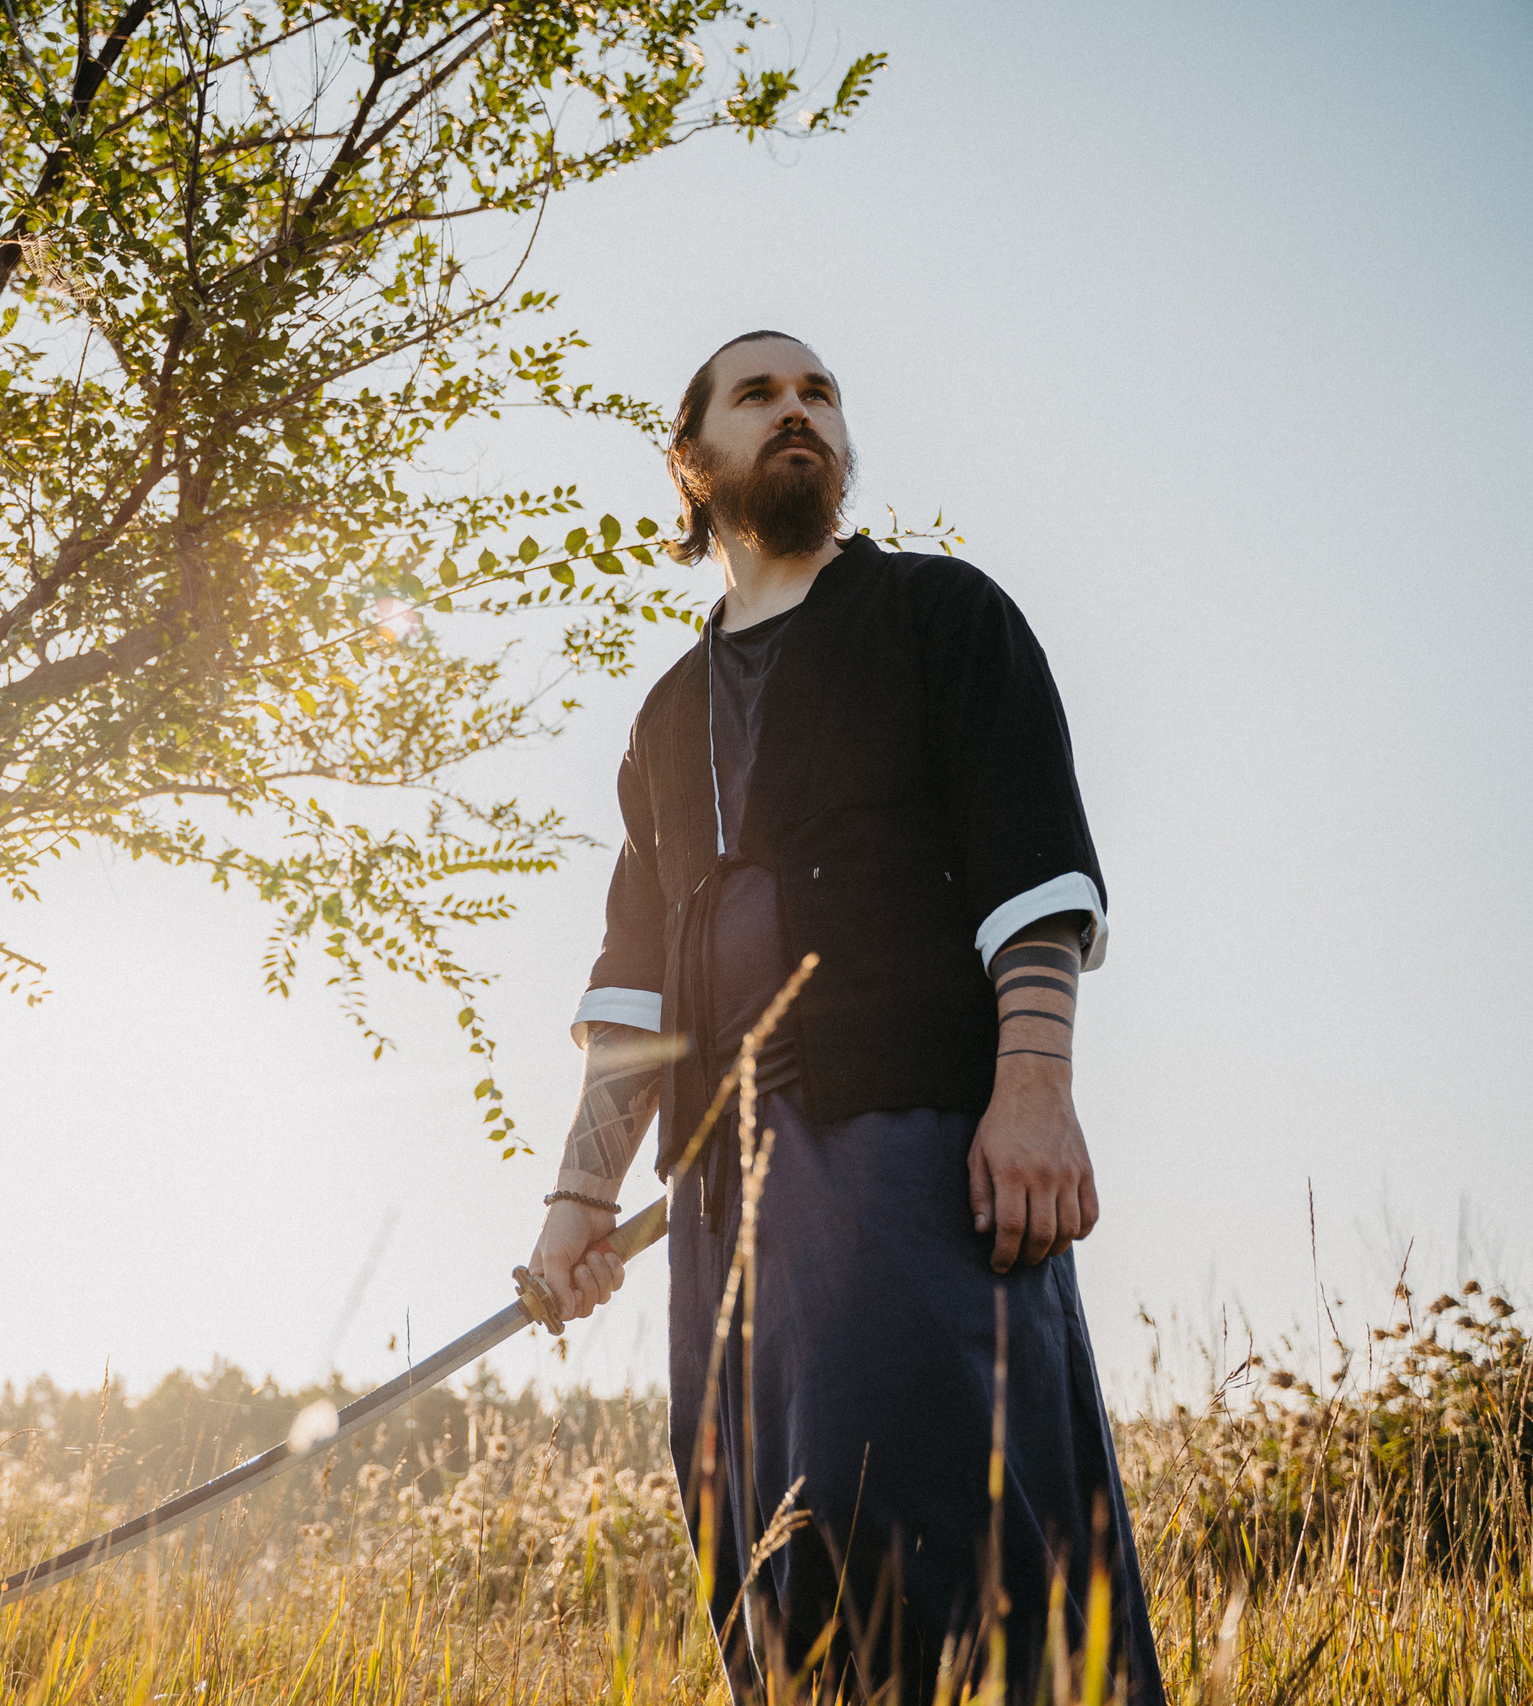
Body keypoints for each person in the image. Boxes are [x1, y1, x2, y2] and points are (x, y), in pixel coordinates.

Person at [524, 332, 1166, 1704]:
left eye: (818, 391)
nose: (798, 409)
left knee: (953, 1544)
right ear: (692, 461)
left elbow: (1031, 871)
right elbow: (634, 985)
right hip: (721, 1214)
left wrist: (1035, 1087)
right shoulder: (664, 719)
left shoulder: (942, 615)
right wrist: (578, 1200)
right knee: (778, 1586)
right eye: (759, 393)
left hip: (910, 1163)